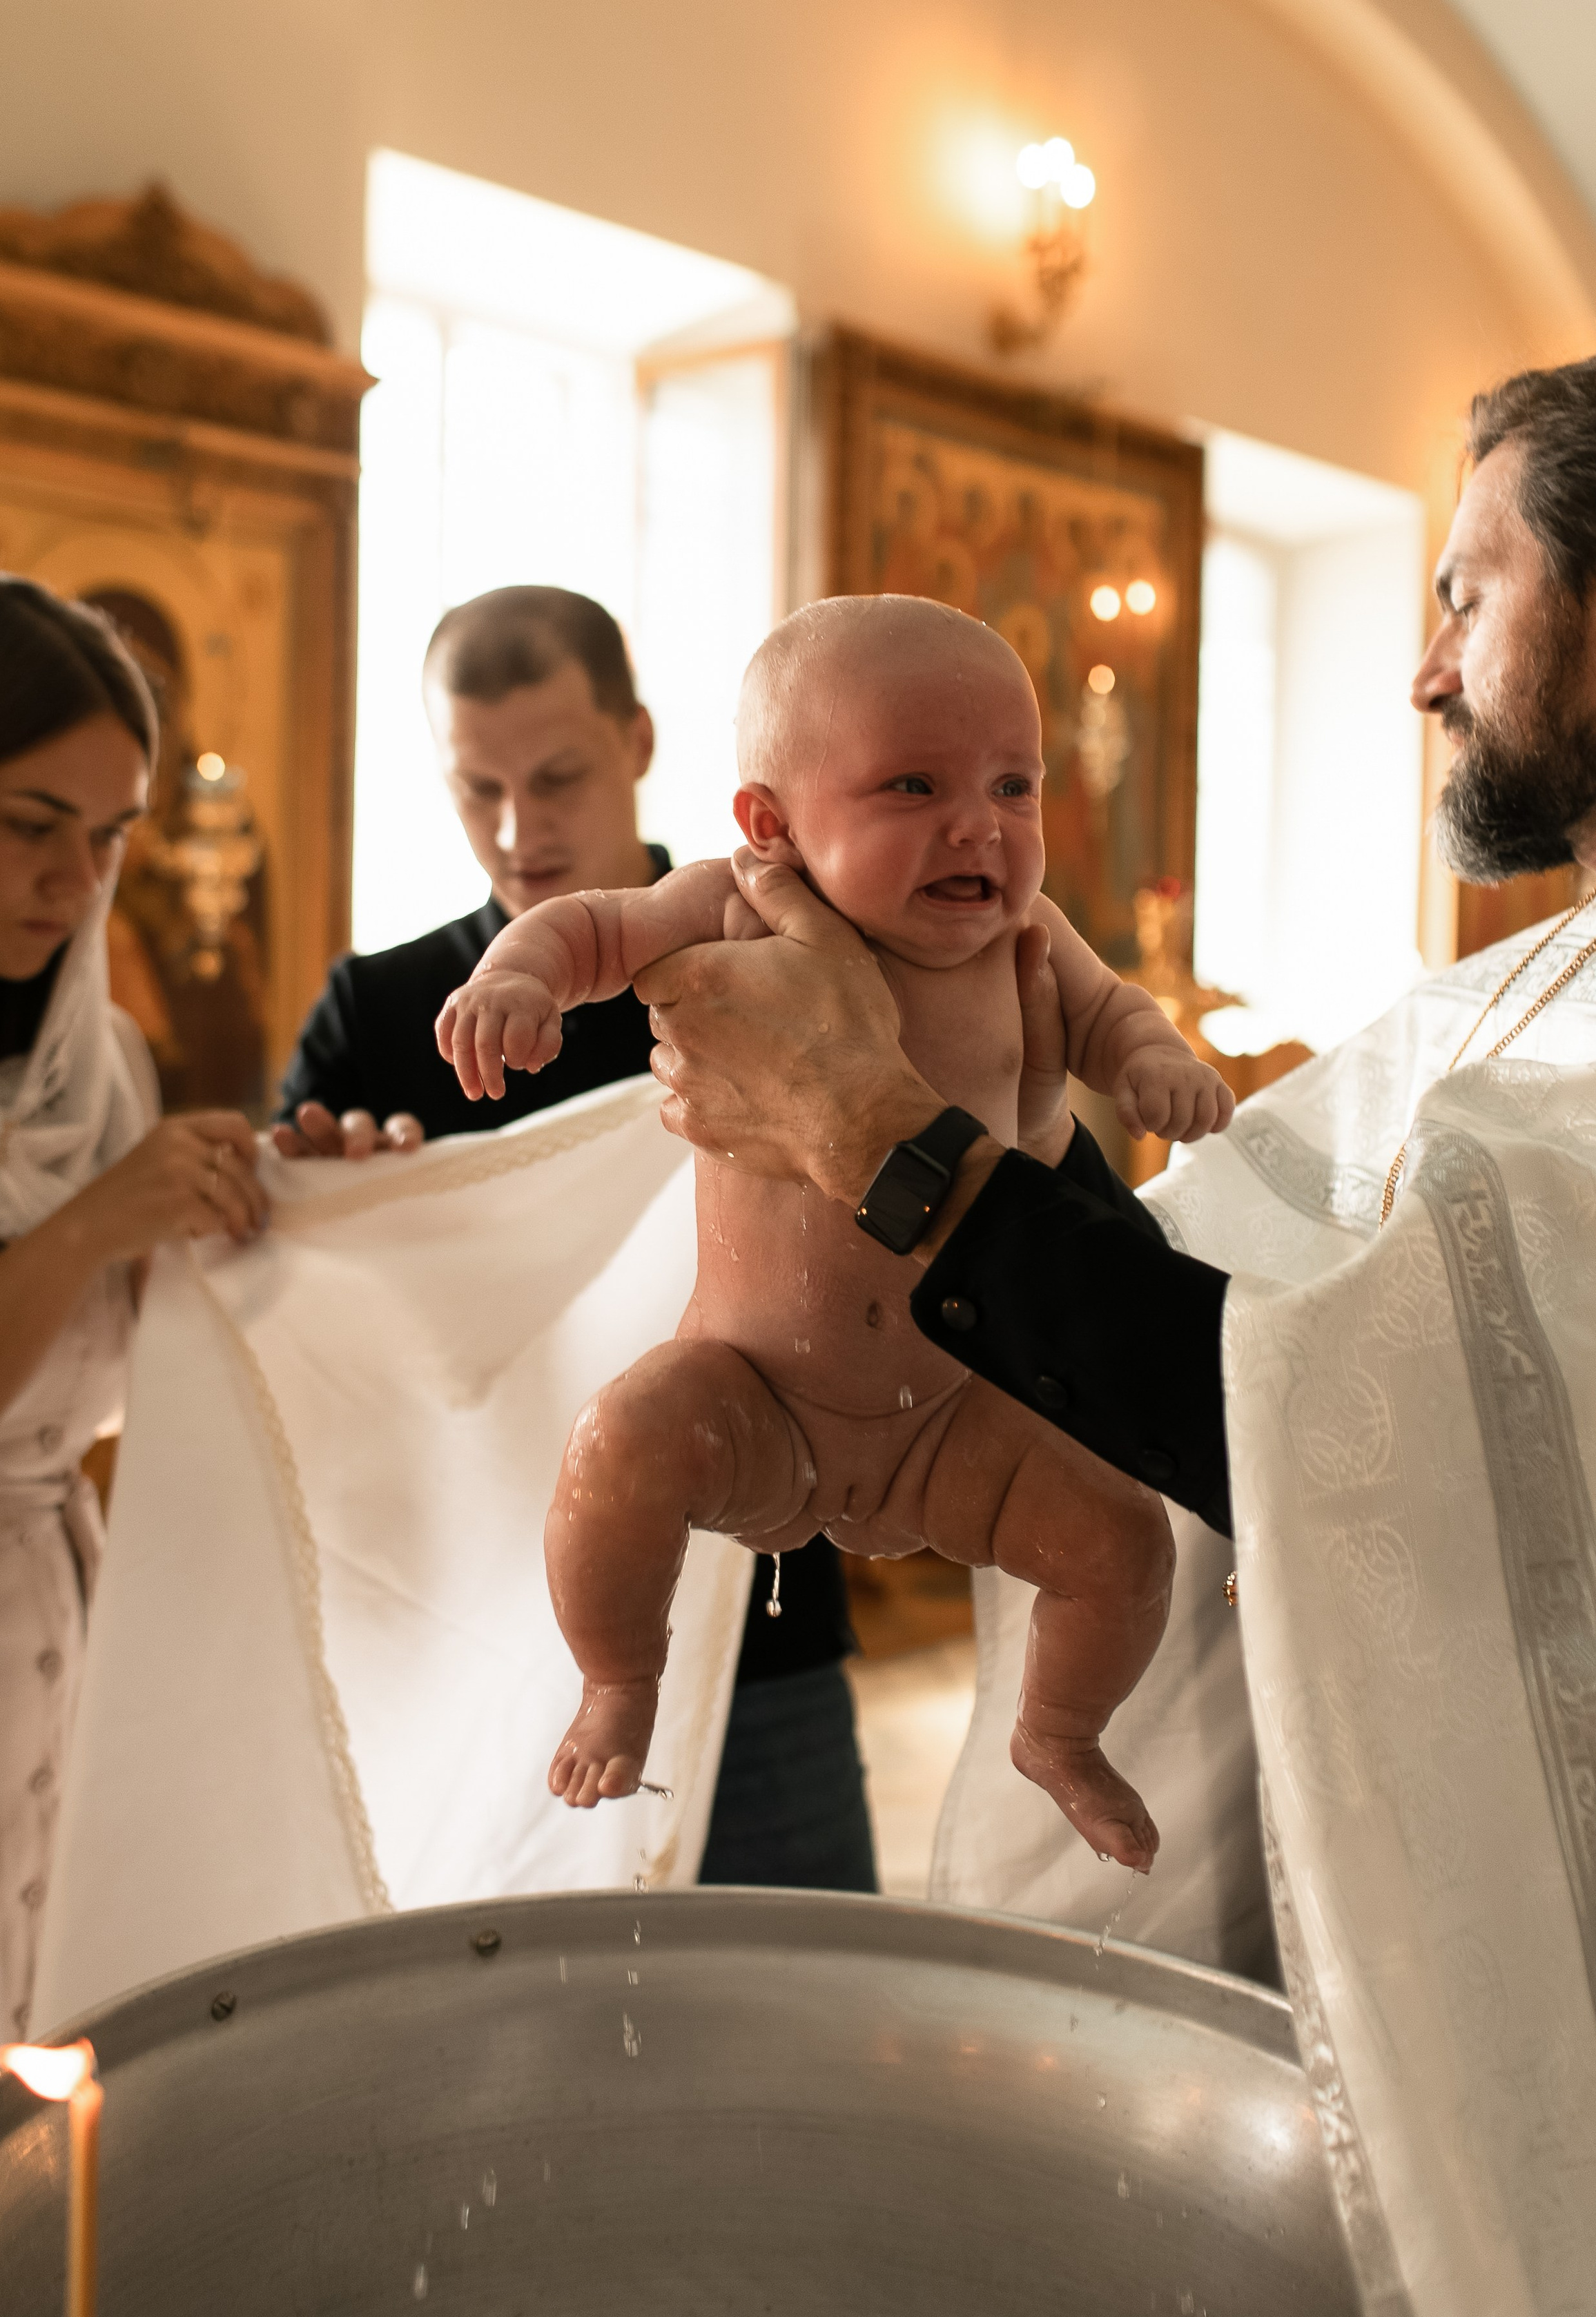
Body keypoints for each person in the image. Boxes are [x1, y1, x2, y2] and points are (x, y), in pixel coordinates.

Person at [632, 316, 1596, 2317]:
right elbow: (1195, 1302)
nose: (1422, 671)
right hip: (1239, 1911)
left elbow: (1375, 1446)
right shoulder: (1581, 964)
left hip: (1400, 1978)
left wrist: (879, 1131)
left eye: (1465, 592)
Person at [438, 596, 1232, 1862]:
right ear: (771, 825)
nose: (980, 825)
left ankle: (1060, 1728)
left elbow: (1113, 1014)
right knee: (618, 1450)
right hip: (754, 1394)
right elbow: (594, 925)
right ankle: (618, 1681)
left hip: (959, 1412)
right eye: (914, 785)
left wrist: (1154, 1064)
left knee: (1122, 1540)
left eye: (1014, 786)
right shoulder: (735, 906)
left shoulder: (1027, 938)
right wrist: (518, 978)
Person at [274, 584, 876, 1892]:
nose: (515, 829)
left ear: (641, 740)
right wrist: (337, 1200)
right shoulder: (380, 1014)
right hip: (492, 1639)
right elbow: (290, 1289)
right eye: (473, 788)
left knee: (811, 2027)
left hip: (758, 1607)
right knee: (534, 2061)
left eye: (554, 778)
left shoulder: (765, 953)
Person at [0, 574, 266, 2091]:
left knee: (53, 2082)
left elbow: (139, 1366)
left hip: (69, 1620)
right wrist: (94, 1223)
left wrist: (284, 1213)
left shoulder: (110, 1058)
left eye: (113, 834)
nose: (80, 878)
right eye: (32, 823)